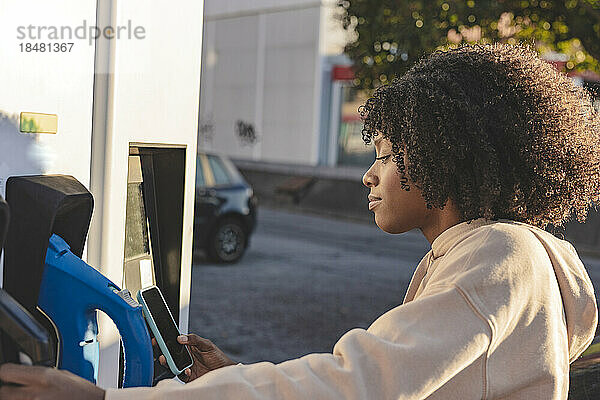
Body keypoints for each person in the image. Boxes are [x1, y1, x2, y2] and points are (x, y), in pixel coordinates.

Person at [1, 42, 599, 399]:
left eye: (387, 156)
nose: (370, 174)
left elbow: (354, 386)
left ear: (446, 158)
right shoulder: (503, 259)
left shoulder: (499, 257)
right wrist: (242, 376)